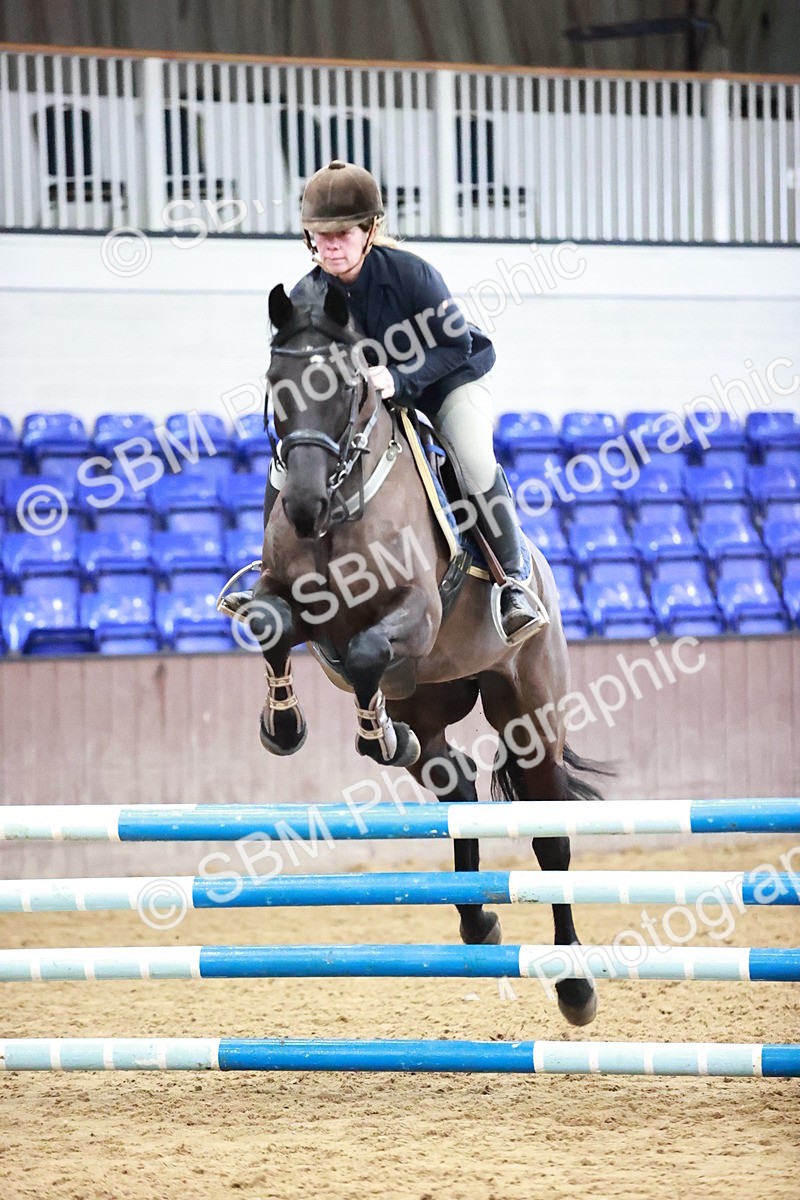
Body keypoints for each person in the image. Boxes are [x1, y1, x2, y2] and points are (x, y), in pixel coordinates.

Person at [259, 159, 544, 640]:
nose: (330, 245)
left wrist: (400, 379)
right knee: (285, 464)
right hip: (368, 399)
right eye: (319, 234)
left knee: (472, 459)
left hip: (447, 379)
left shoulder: (411, 275)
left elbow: (459, 345)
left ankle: (512, 580)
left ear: (369, 231)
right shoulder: (307, 294)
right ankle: (265, 570)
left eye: (343, 233)